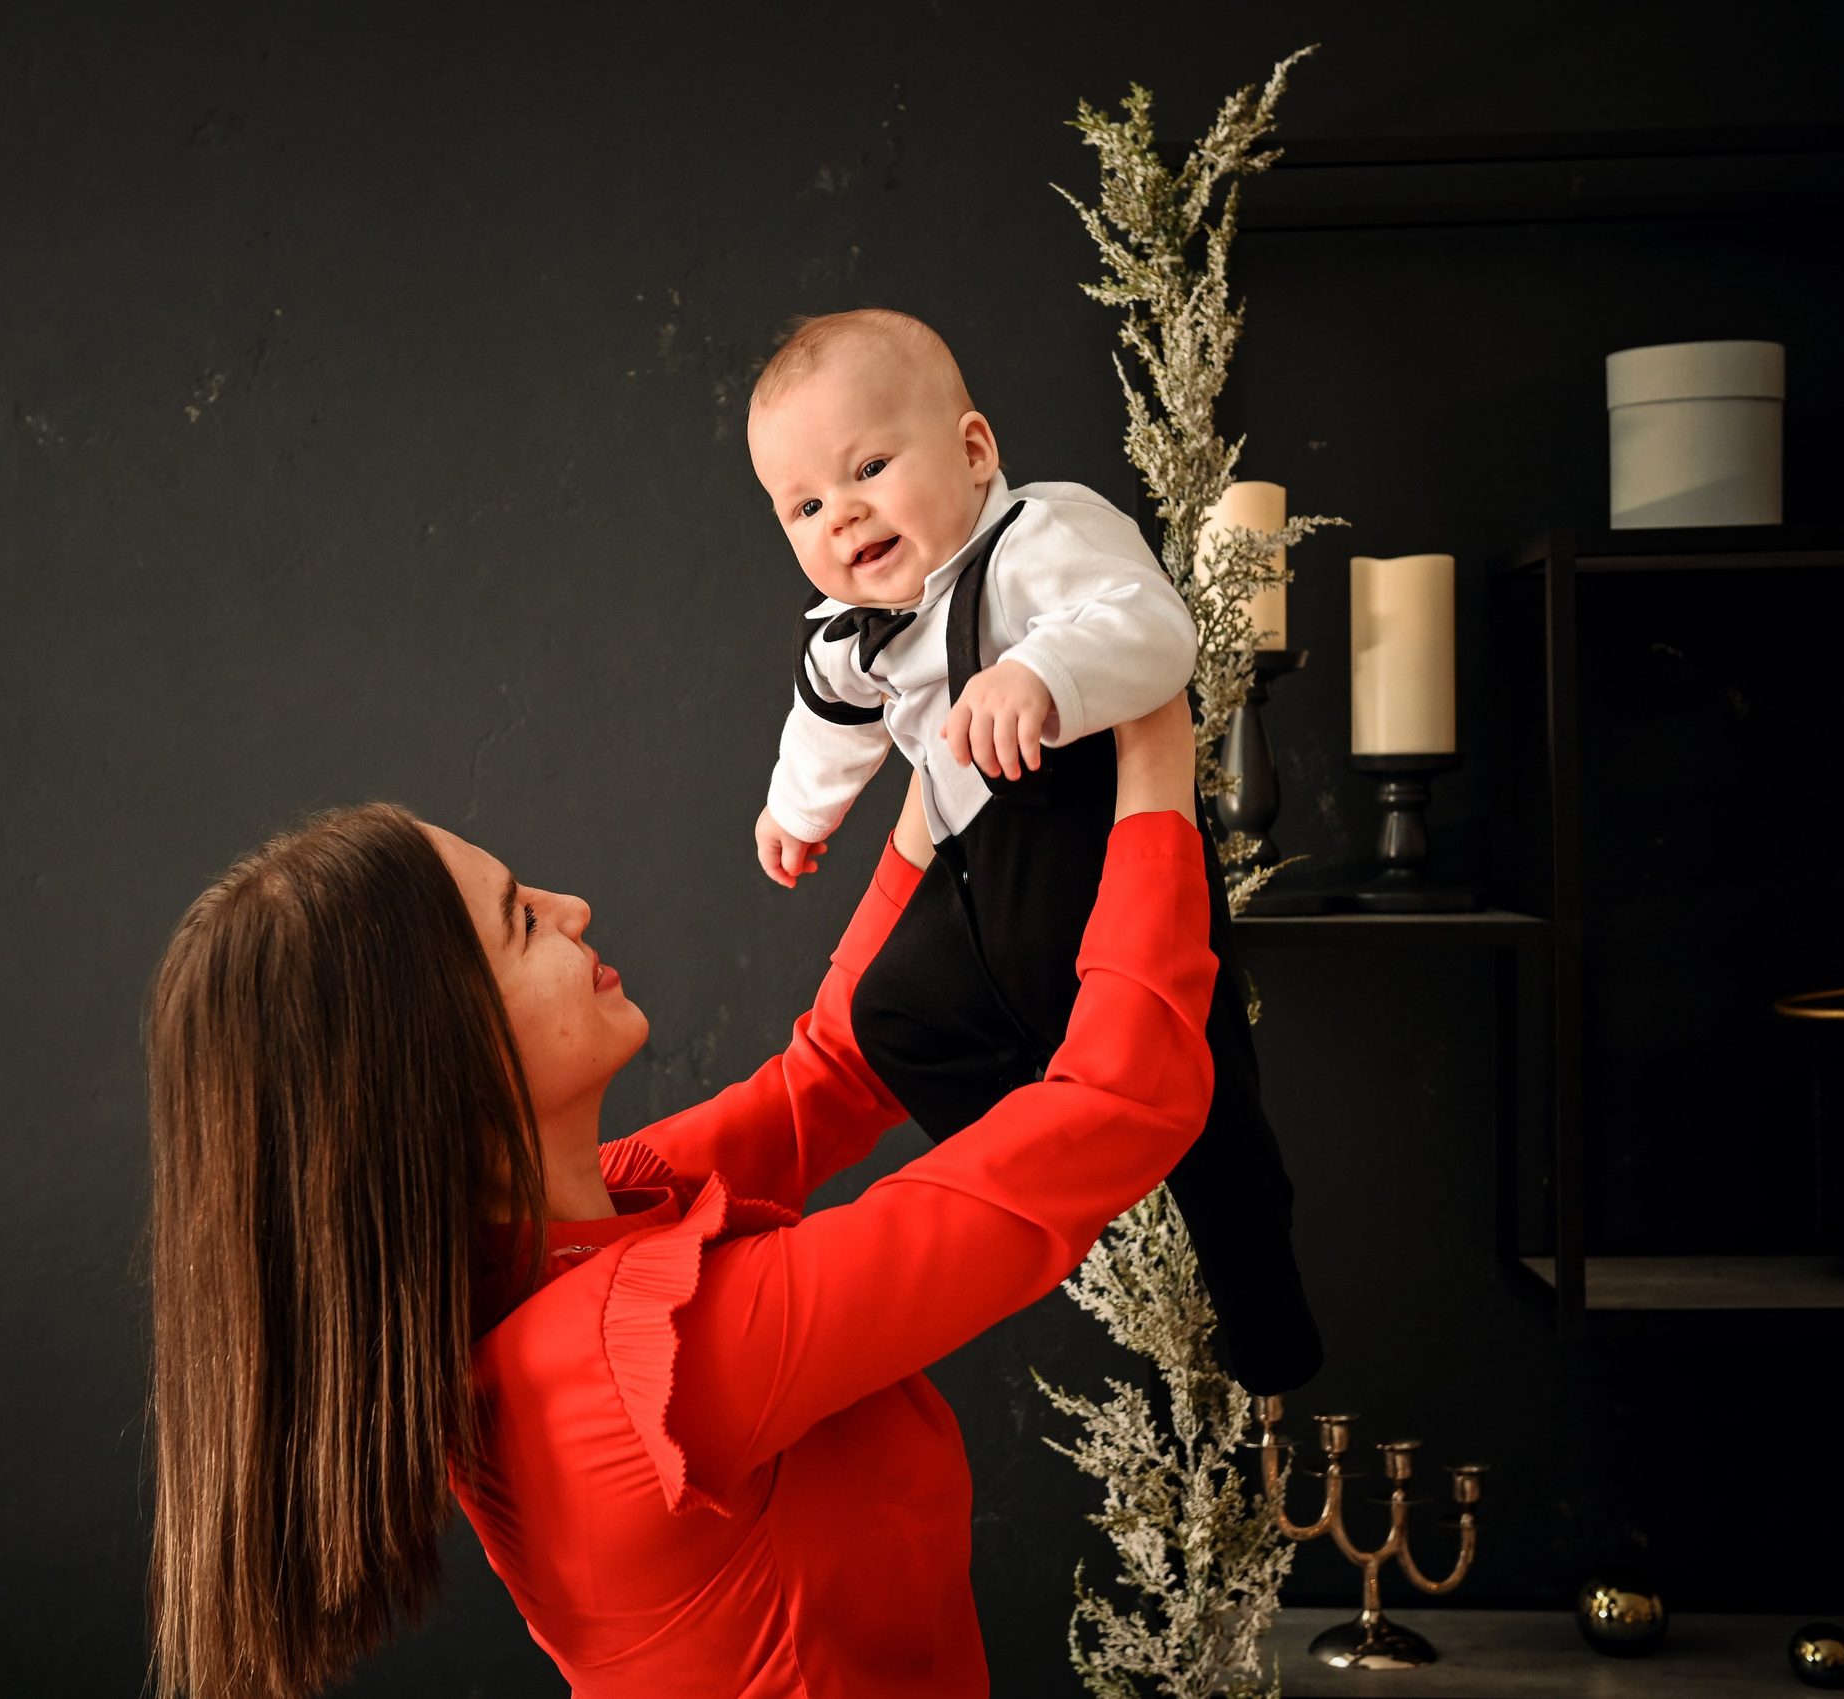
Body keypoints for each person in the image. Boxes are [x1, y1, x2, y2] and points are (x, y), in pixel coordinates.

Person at [146, 697, 1218, 1699]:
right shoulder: (648, 1362)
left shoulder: (571, 1232)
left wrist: (933, 761)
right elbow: (1118, 1105)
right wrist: (1153, 718)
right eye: (522, 922)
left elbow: (832, 1076)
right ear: (442, 1067)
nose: (573, 908)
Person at [748, 308, 1320, 1394]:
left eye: (869, 467)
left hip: (1096, 835)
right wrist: (796, 813)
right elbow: (827, 727)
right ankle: (1054, 1178)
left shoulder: (1038, 538)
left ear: (973, 450)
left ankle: (1269, 1321)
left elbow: (1152, 627)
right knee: (892, 1016)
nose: (844, 513)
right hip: (976, 864)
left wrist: (1041, 673)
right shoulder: (847, 630)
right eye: (806, 505)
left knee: (1213, 1119)